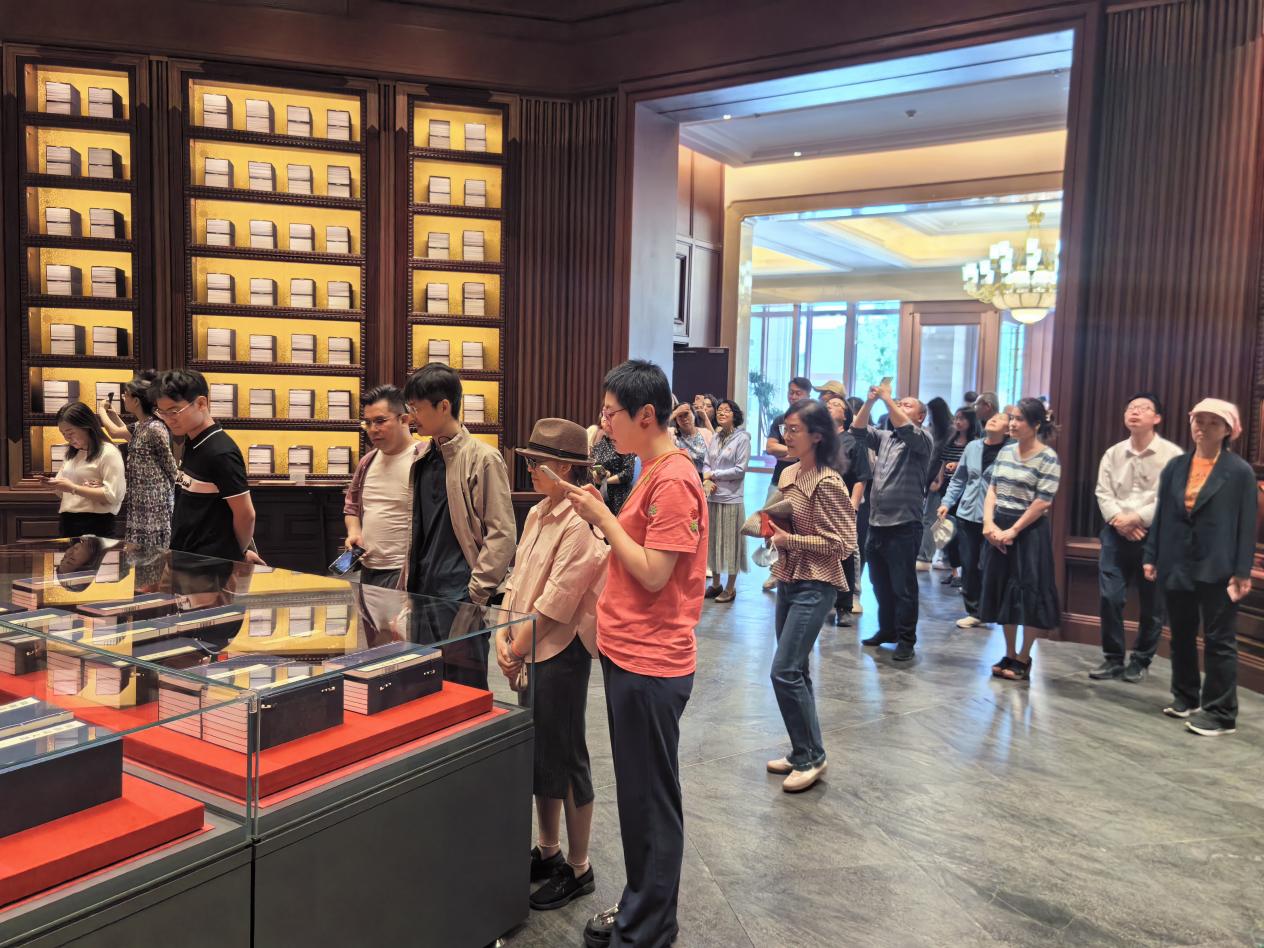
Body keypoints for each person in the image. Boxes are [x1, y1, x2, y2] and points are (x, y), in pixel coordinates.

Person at [561, 360, 707, 948]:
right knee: (640, 796)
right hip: (630, 652)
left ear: (646, 415)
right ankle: (642, 907)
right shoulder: (652, 470)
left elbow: (652, 573)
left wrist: (602, 516)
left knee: (650, 802)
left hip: (651, 660)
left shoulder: (674, 479)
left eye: (610, 413)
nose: (603, 425)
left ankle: (647, 929)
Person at [494, 418, 608, 912]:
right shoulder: (539, 512)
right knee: (542, 753)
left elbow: (559, 601)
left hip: (560, 649)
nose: (530, 470)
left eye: (537, 463)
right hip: (530, 643)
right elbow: (518, 579)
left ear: (563, 467)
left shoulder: (581, 522)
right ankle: (549, 850)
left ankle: (579, 868)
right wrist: (503, 634)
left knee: (566, 753)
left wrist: (515, 645)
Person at [1144, 398, 1255, 737]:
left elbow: (1247, 525)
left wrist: (1242, 570)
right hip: (1177, 561)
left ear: (1228, 430)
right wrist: (1151, 555)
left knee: (1220, 640)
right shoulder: (1176, 466)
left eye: (1212, 422)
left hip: (1218, 566)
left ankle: (1221, 713)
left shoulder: (1239, 471)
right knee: (1180, 634)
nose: (1203, 427)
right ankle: (1186, 696)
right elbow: (1163, 514)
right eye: (1198, 420)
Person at [401, 363, 516, 688]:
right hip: (422, 592)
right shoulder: (422, 457)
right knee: (424, 686)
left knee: (466, 690)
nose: (411, 417)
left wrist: (474, 594)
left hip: (460, 595)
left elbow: (503, 533)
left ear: (444, 406)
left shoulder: (483, 458)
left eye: (417, 408)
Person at [766, 399, 855, 792]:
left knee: (784, 670)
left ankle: (812, 757)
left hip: (816, 584)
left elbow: (844, 544)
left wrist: (791, 540)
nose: (787, 436)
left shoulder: (828, 482)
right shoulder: (789, 473)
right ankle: (804, 750)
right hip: (789, 577)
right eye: (785, 428)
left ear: (817, 436)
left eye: (795, 429)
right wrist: (771, 531)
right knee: (796, 671)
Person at [1089, 393, 1183, 681]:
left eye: (1144, 408)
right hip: (1115, 532)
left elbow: (1170, 498)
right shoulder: (1113, 453)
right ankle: (1113, 658)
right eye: (1131, 407)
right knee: (1110, 597)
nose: (1135, 412)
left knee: (1152, 604)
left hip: (1154, 536)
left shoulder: (1172, 455)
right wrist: (1120, 521)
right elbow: (1103, 492)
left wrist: (1137, 519)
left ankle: (1141, 660)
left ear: (1157, 418)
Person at [980, 397, 1062, 681]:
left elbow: (1043, 501)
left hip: (1029, 531)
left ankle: (1024, 656)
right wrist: (988, 524)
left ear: (1036, 425)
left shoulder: (1048, 457)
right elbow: (992, 489)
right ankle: (1009, 652)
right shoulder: (1005, 452)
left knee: (1028, 594)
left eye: (1019, 419)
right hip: (999, 525)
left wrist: (1013, 530)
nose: (1012, 424)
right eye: (1012, 418)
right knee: (1004, 591)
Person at [852, 382, 933, 661]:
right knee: (880, 584)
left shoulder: (922, 439)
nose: (900, 405)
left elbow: (906, 429)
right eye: (899, 403)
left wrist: (887, 399)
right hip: (877, 524)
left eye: (907, 404)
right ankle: (887, 630)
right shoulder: (885, 437)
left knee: (903, 587)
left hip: (904, 525)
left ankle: (907, 639)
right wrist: (870, 402)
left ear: (920, 416)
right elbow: (857, 430)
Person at [155, 369, 263, 564]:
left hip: (209, 565)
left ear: (201, 403)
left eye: (174, 411)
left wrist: (237, 554)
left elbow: (246, 514)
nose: (168, 419)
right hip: (187, 558)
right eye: (162, 413)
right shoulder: (193, 441)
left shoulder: (220, 452)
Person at [938, 407, 1010, 628]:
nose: (994, 420)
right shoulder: (972, 447)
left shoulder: (1011, 451)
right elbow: (959, 479)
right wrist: (946, 502)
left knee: (990, 565)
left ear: (1008, 429)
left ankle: (993, 608)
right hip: (967, 513)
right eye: (993, 417)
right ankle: (974, 611)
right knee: (969, 564)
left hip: (997, 517)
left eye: (1000, 419)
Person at [343, 385, 418, 589]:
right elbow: (351, 507)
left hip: (405, 570)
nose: (373, 429)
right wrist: (354, 532)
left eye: (380, 421)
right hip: (368, 568)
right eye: (367, 423)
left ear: (404, 419)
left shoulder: (423, 458)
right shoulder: (367, 461)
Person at [102, 371, 179, 549]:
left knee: (152, 549)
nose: (123, 397)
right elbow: (125, 433)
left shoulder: (155, 427)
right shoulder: (142, 425)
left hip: (155, 498)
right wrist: (112, 415)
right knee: (138, 548)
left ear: (136, 401)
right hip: (141, 496)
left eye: (126, 395)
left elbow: (170, 465)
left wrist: (101, 411)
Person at [821, 388, 870, 625]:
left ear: (846, 415)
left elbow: (861, 478)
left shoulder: (853, 442)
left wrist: (853, 507)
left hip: (842, 506)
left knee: (845, 555)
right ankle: (822, 601)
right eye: (828, 405)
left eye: (836, 405)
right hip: (818, 504)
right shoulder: (818, 440)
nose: (830, 406)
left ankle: (844, 606)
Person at [761, 377, 812, 592]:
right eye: (791, 392)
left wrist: (790, 452)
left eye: (798, 393)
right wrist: (796, 451)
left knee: (800, 528)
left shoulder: (814, 421)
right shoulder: (780, 420)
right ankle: (775, 569)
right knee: (769, 525)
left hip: (805, 482)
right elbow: (771, 448)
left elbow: (813, 450)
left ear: (807, 395)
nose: (793, 396)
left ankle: (797, 572)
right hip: (779, 481)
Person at [48, 402, 126, 539]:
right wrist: (54, 485)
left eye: (70, 432)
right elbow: (62, 491)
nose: (67, 438)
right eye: (63, 433)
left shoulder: (108, 452)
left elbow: (113, 496)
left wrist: (74, 488)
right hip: (68, 521)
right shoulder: (72, 453)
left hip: (96, 522)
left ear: (86, 426)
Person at [703, 398, 750, 602]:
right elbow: (706, 463)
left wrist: (714, 475)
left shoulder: (742, 438)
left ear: (734, 415)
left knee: (731, 544)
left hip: (731, 498)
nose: (721, 413)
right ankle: (716, 584)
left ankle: (730, 588)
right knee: (713, 542)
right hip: (713, 496)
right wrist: (707, 477)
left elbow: (740, 470)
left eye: (726, 410)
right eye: (719, 410)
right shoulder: (715, 437)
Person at [933, 406, 980, 585]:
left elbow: (969, 468)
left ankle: (963, 573)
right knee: (949, 531)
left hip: (967, 490)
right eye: (956, 418)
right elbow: (943, 462)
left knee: (962, 533)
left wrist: (956, 465)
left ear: (971, 421)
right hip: (948, 487)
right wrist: (939, 481)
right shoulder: (951, 439)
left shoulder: (975, 443)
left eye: (962, 418)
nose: (958, 422)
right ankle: (954, 572)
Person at [917, 396, 954, 570]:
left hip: (940, 481)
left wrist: (938, 479)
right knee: (933, 519)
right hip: (931, 479)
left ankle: (925, 557)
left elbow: (943, 458)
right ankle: (935, 557)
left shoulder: (948, 432)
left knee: (931, 519)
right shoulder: (934, 430)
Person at [589, 413, 636, 515]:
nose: (605, 419)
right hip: (600, 493)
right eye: (603, 415)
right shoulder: (598, 445)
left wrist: (606, 481)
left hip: (619, 496)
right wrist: (595, 475)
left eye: (608, 416)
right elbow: (592, 467)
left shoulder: (626, 443)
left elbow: (628, 473)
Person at [669, 402, 707, 476]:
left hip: (705, 478)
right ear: (676, 419)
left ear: (694, 414)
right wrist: (675, 413)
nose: (684, 418)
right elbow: (657, 430)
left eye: (686, 414)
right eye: (680, 416)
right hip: (681, 477)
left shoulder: (706, 433)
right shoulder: (672, 433)